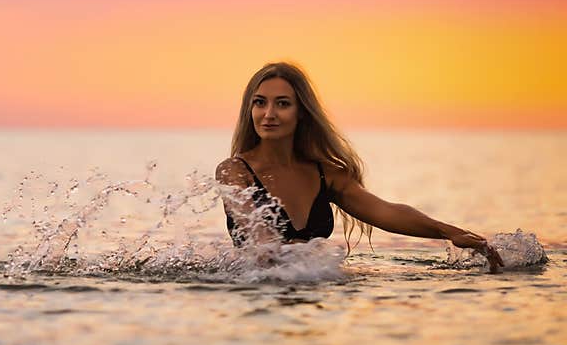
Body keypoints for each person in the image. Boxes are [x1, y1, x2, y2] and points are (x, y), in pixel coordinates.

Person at [215, 61, 504, 272]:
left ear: (301, 112)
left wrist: (447, 232)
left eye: (282, 104)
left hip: (315, 307)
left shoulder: (324, 173)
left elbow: (385, 211)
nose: (268, 114)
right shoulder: (234, 171)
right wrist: (277, 251)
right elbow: (256, 233)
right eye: (259, 103)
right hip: (256, 304)